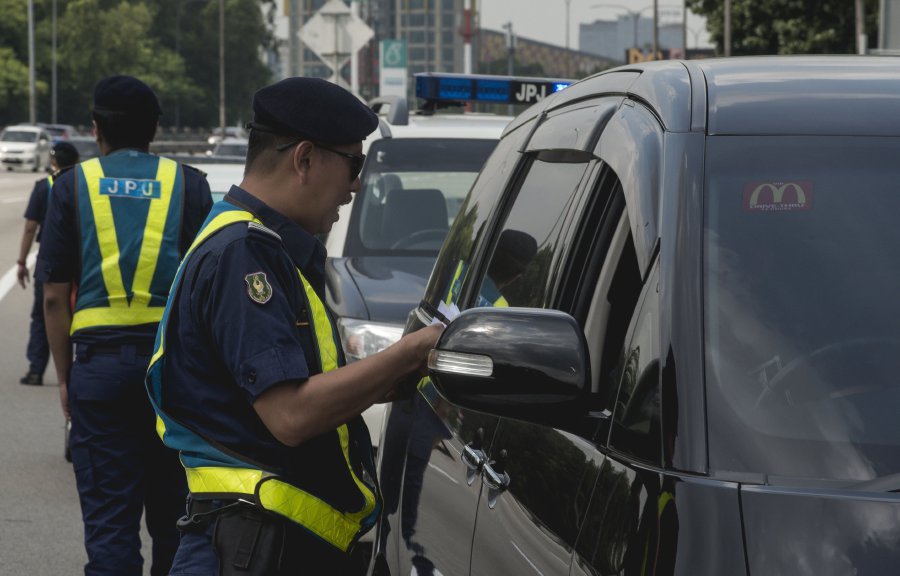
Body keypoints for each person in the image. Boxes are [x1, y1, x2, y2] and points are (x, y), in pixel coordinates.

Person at [145, 76, 443, 576]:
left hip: (262, 544)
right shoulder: (244, 253)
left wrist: (390, 378)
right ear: (304, 159)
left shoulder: (265, 247)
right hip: (248, 549)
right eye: (354, 163)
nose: (355, 185)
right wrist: (409, 351)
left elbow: (300, 392)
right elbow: (291, 416)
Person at [36, 75, 213, 576]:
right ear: (155, 130)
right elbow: (208, 289)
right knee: (177, 522)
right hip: (173, 379)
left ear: (96, 130)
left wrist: (67, 378)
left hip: (100, 374)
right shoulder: (190, 184)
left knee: (111, 526)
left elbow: (53, 296)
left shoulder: (72, 185)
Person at [16, 141, 80, 386]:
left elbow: (31, 227)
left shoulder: (43, 187)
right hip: (80, 258)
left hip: (50, 258)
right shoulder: (80, 185)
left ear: (53, 162)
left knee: (43, 313)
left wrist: (22, 261)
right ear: (75, 162)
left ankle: (36, 370)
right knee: (78, 311)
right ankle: (78, 368)